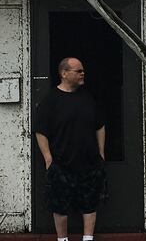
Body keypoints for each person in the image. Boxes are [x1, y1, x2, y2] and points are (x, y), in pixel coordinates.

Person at [34, 57, 106, 241]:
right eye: (78, 71)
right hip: (61, 162)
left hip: (89, 161)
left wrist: (101, 152)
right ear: (64, 73)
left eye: (83, 71)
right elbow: (41, 131)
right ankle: (62, 239)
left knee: (90, 202)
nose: (83, 74)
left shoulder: (87, 98)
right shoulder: (51, 100)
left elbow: (99, 125)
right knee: (59, 204)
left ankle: (88, 238)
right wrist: (48, 158)